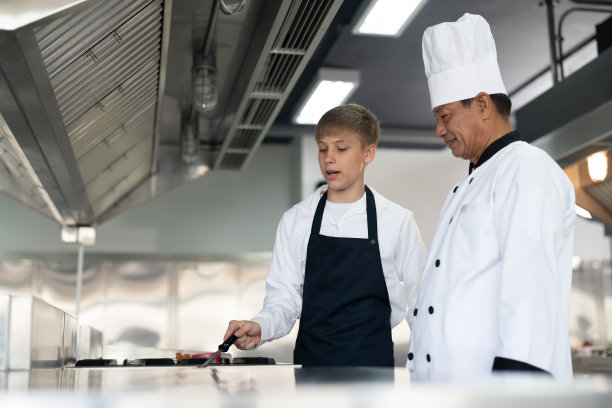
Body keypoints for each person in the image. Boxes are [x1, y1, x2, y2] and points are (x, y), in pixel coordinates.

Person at [407, 13, 575, 382]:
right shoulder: (470, 183)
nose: (439, 130)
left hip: (498, 394)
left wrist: (511, 391)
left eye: (445, 116)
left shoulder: (526, 171)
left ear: (482, 105)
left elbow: (529, 292)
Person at [224, 103, 426, 367]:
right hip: (312, 367)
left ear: (369, 152)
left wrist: (424, 364)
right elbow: (283, 300)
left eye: (341, 149)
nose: (328, 158)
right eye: (322, 148)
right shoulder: (296, 220)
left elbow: (424, 300)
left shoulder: (397, 221)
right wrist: (260, 326)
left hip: (374, 367)